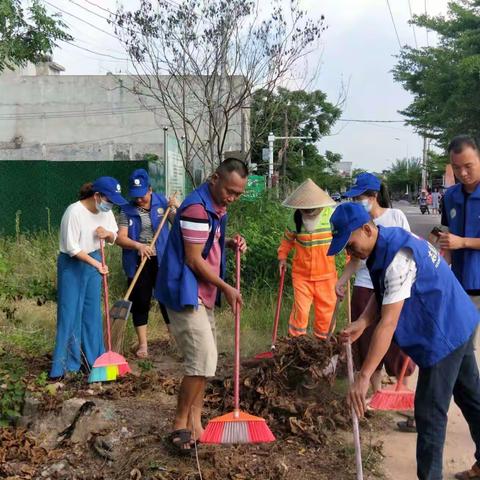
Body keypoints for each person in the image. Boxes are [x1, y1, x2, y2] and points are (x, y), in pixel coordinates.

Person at [328, 202, 480, 480]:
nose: (350, 253)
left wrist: (364, 376)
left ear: (366, 229)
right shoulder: (383, 242)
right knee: (471, 397)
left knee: (430, 414)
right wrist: (363, 322)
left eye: (350, 246)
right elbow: (383, 291)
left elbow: (388, 323)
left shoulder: (397, 256)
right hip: (459, 318)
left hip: (445, 332)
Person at [157, 158, 248, 454]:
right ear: (214, 178)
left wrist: (229, 244)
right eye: (230, 191)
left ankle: (196, 423)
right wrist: (227, 287)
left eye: (238, 194)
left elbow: (208, 242)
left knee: (206, 363)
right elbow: (193, 259)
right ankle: (179, 425)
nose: (232, 198)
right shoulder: (197, 208)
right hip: (186, 291)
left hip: (201, 292)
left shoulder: (215, 207)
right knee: (202, 359)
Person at [335, 173, 415, 406]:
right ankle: (377, 390)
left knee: (394, 334)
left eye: (360, 197)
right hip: (367, 285)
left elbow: (409, 247)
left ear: (373, 196)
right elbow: (354, 260)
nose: (358, 201)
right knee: (367, 338)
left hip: (397, 287)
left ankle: (402, 387)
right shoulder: (354, 225)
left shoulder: (394, 217)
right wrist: (341, 280)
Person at [50, 177, 128, 379]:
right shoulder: (74, 212)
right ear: (97, 196)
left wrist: (108, 234)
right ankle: (65, 367)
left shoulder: (107, 211)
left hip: (95, 259)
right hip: (73, 263)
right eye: (108, 200)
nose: (110, 205)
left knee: (92, 313)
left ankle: (93, 363)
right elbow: (72, 248)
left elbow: (115, 234)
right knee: (70, 314)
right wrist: (96, 265)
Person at [116, 169, 180, 358]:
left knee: (166, 299)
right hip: (138, 260)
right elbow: (121, 238)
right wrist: (139, 246)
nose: (139, 200)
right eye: (135, 196)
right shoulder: (126, 209)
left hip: (162, 258)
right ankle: (143, 344)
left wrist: (175, 208)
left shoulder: (162, 202)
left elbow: (179, 224)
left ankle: (174, 339)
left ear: (150, 189)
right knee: (141, 300)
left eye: (142, 195)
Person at [277, 178, 337, 339]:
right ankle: (296, 344)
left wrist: (349, 263)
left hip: (326, 276)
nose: (309, 211)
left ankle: (324, 345)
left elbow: (345, 241)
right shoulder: (295, 218)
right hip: (301, 276)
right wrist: (282, 257)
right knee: (301, 312)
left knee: (326, 313)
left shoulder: (331, 217)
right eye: (305, 208)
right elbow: (287, 240)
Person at [440, 135, 480, 349]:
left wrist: (463, 242)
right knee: (462, 346)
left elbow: (457, 241)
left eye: (468, 166)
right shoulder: (450, 197)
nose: (463, 173)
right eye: (456, 168)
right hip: (461, 285)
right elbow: (447, 240)